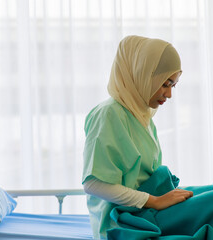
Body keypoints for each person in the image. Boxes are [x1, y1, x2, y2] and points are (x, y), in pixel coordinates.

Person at [82, 35, 193, 239]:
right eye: (165, 83)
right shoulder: (108, 115)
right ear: (143, 74)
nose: (168, 95)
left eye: (173, 86)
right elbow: (94, 184)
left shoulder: (142, 115)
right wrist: (154, 201)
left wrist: (157, 199)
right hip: (122, 218)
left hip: (147, 209)